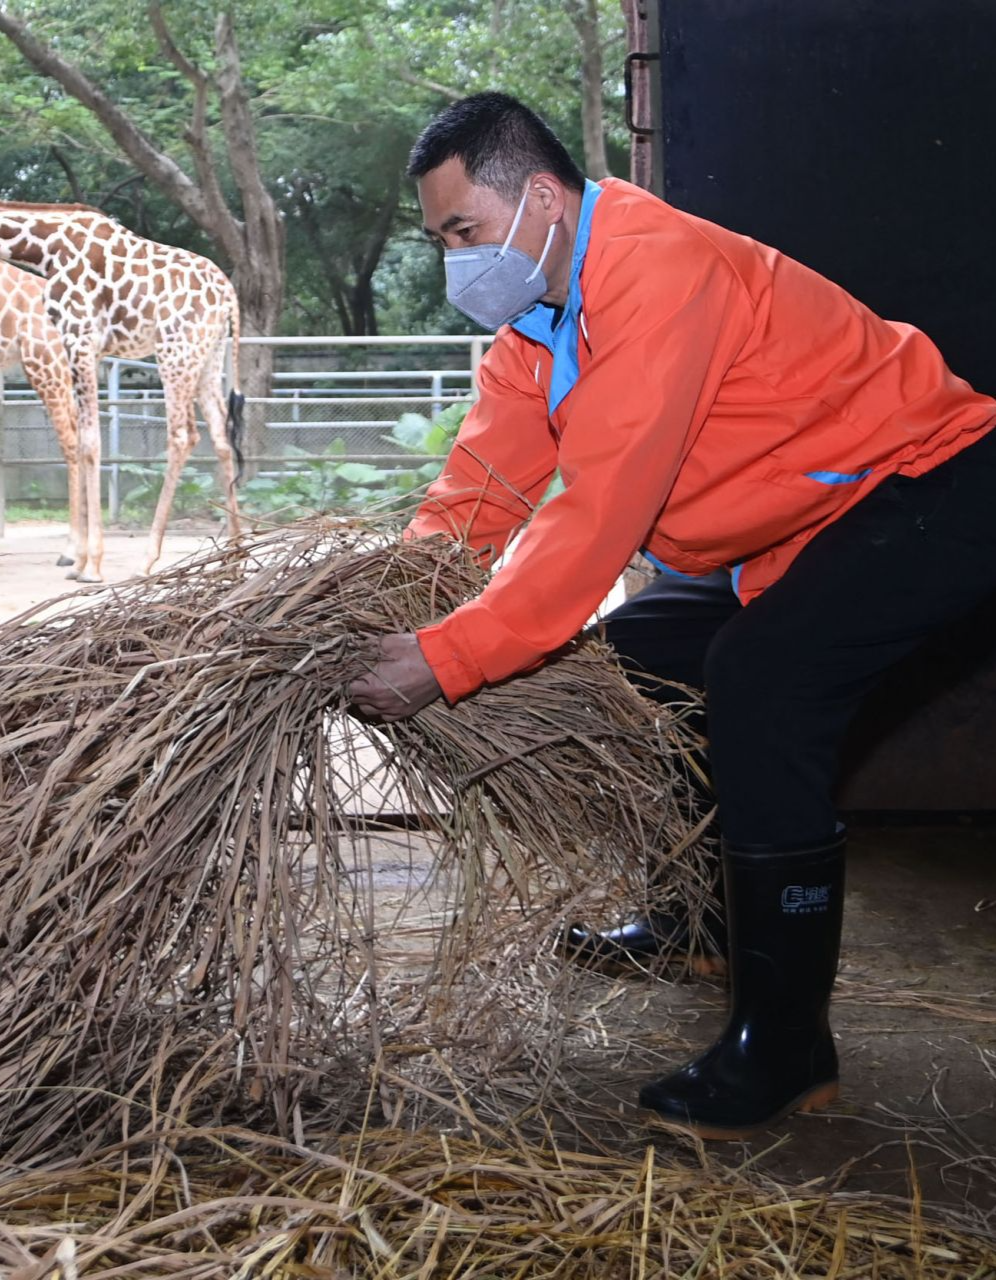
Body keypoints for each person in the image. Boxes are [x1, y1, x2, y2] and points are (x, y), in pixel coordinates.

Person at [347, 92, 996, 1139]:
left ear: (543, 200)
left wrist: (448, 656)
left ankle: (784, 1045)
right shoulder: (538, 324)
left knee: (764, 684)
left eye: (461, 231)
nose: (454, 260)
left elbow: (597, 510)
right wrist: (389, 596)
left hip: (928, 482)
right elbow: (479, 490)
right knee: (642, 649)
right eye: (441, 241)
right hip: (803, 519)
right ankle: (696, 919)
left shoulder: (655, 269)